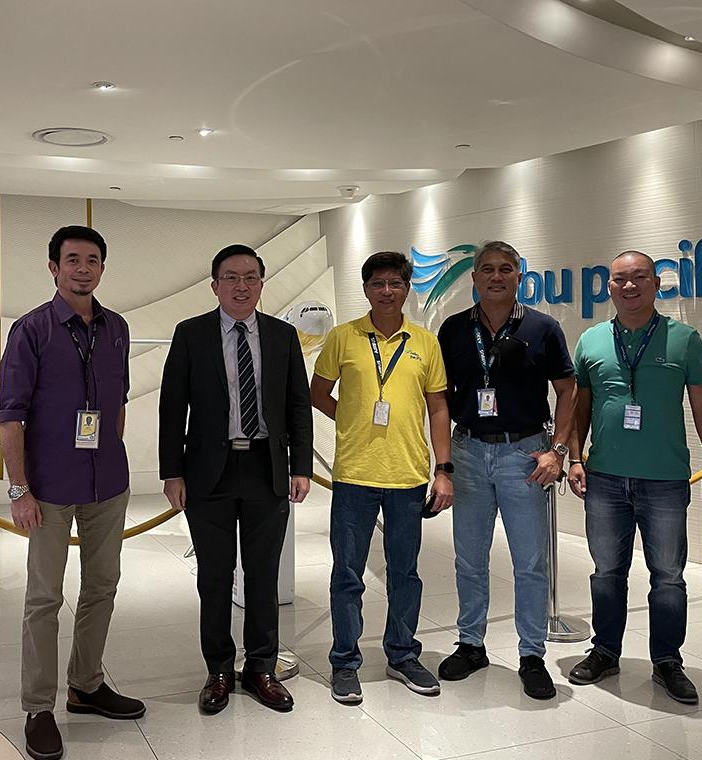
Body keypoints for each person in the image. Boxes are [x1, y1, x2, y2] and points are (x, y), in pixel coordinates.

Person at [0, 225, 144, 760]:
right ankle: (38, 707)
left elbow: (118, 401)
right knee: (44, 598)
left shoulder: (117, 327)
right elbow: (9, 417)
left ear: (102, 267)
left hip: (107, 483)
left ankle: (86, 684)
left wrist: (112, 452)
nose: (83, 269)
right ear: (54, 267)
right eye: (73, 259)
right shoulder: (31, 329)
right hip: (50, 488)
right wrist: (20, 490)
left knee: (102, 586)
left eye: (93, 260)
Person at [567, 250, 702, 705]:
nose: (630, 286)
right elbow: (579, 407)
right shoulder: (592, 340)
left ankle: (667, 661)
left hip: (665, 479)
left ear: (657, 283)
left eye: (640, 277)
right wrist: (575, 459)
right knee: (606, 572)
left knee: (669, 576)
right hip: (605, 478)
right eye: (620, 279)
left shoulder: (684, 339)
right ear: (609, 287)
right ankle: (605, 651)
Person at [159, 244, 313, 714]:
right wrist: (172, 472)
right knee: (214, 575)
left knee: (263, 574)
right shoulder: (191, 334)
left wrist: (301, 466)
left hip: (267, 468)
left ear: (262, 284)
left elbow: (298, 404)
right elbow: (172, 407)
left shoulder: (283, 336)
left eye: (250, 277)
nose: (241, 286)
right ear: (214, 285)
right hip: (210, 473)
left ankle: (262, 667)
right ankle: (219, 670)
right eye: (231, 277)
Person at [311, 250, 453, 705]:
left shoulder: (425, 342)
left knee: (405, 573)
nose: (387, 291)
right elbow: (318, 393)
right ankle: (344, 661)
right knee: (347, 573)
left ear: (406, 288)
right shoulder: (343, 337)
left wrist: (443, 470)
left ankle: (403, 654)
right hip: (354, 474)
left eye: (395, 283)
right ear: (366, 289)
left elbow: (438, 407)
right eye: (378, 283)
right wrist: (352, 420)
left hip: (408, 475)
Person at [436, 241, 575, 699]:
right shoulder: (454, 329)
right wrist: (442, 461)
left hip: (526, 455)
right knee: (469, 558)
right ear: (475, 277)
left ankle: (532, 654)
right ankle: (471, 644)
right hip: (470, 451)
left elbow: (568, 390)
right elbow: (439, 396)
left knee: (530, 562)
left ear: (520, 276)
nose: (496, 276)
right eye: (488, 269)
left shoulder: (543, 327)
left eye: (506, 269)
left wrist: (558, 451)